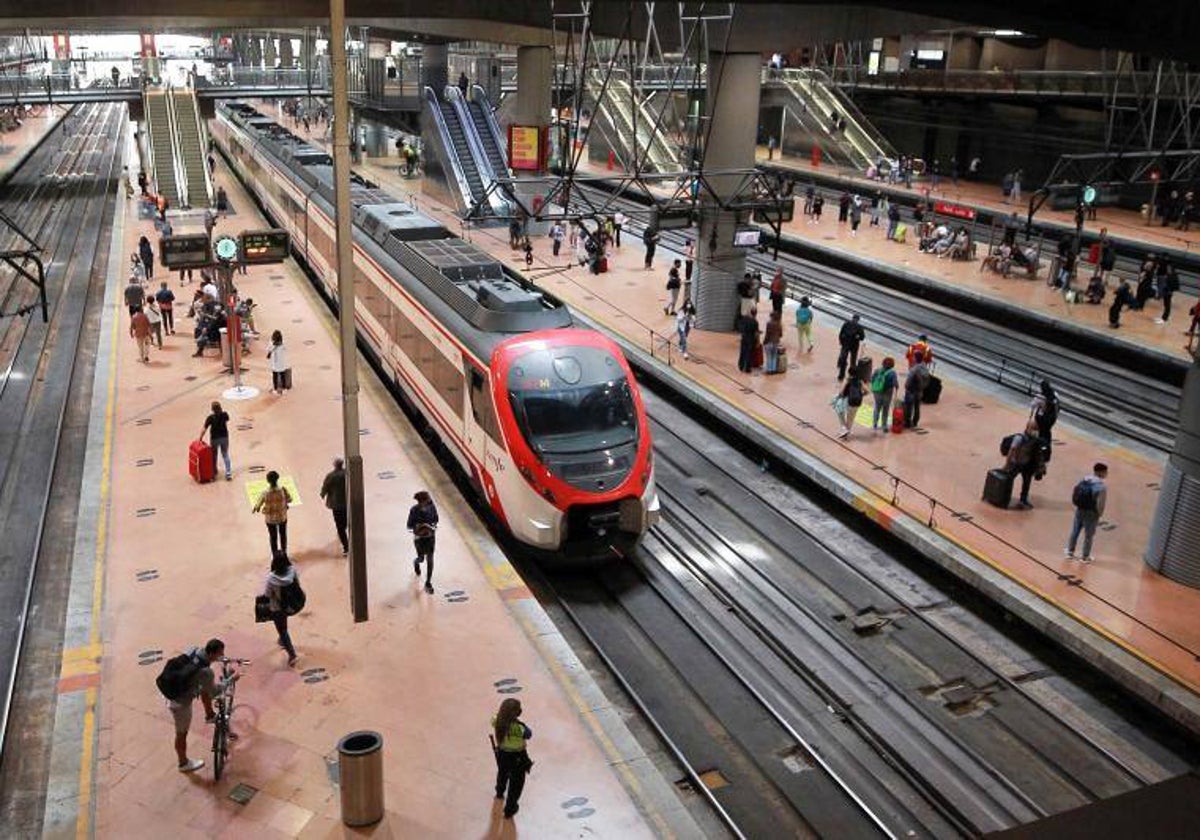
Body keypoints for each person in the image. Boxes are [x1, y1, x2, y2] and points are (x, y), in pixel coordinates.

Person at [165, 638, 228, 773]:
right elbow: (214, 691)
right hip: (180, 703)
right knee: (181, 733)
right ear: (212, 654)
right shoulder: (206, 672)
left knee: (204, 687)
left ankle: (210, 714)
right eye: (219, 654)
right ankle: (183, 763)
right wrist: (230, 680)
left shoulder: (193, 650)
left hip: (171, 688)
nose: (220, 657)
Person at [492, 698, 533, 819]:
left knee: (502, 773)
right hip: (518, 757)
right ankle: (510, 808)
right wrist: (520, 723)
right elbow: (529, 734)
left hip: (502, 754)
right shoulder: (519, 728)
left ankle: (500, 792)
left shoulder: (496, 720)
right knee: (516, 783)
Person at [1066, 463, 1109, 562]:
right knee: (1088, 535)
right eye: (1105, 472)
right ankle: (1085, 556)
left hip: (1080, 509)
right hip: (1091, 513)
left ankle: (1070, 552)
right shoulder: (1101, 487)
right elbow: (1100, 504)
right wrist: (1099, 514)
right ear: (1101, 472)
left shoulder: (1084, 479)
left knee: (1075, 531)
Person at [262, 552, 299, 666]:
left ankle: (292, 654)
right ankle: (283, 640)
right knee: (284, 622)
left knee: (282, 630)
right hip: (290, 604)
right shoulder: (292, 571)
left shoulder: (271, 578)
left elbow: (267, 595)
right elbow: (297, 584)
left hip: (277, 607)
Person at [1003, 421, 1044, 509]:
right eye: (1033, 429)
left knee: (1026, 483)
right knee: (1008, 479)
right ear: (1027, 428)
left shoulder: (1035, 441)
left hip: (1027, 465)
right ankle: (1004, 496)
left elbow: (1038, 455)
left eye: (1036, 430)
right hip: (1017, 464)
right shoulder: (1019, 438)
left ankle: (1023, 499)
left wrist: (1039, 469)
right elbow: (1012, 450)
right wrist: (1007, 464)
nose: (1035, 432)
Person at [253, 470, 293, 557]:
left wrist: (257, 507)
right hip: (282, 516)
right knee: (283, 535)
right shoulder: (283, 489)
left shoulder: (265, 493)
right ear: (277, 479)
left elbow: (258, 505)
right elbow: (290, 499)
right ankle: (284, 552)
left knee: (273, 537)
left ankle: (275, 555)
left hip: (270, 519)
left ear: (268, 481)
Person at [408, 490, 439, 594]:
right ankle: (415, 563)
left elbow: (436, 520)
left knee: (430, 559)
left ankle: (428, 582)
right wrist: (418, 528)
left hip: (430, 537)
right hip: (419, 539)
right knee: (421, 559)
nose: (430, 499)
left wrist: (432, 527)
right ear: (422, 501)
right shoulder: (413, 510)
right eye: (428, 498)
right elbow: (408, 526)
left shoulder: (432, 507)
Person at [320, 457, 349, 555]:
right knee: (345, 521)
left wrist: (322, 494)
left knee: (339, 525)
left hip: (336, 504)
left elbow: (325, 487)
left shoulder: (331, 476)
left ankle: (346, 546)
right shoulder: (347, 473)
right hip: (347, 502)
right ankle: (344, 530)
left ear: (334, 465)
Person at [200, 400, 232, 481]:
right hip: (224, 437)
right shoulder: (225, 415)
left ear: (212, 409)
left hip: (214, 439)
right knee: (225, 454)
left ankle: (214, 474)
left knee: (214, 456)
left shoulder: (210, 418)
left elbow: (204, 429)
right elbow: (227, 419)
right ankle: (228, 473)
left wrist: (200, 438)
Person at [1031, 379, 1060, 464]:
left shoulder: (1040, 397)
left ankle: (1039, 452)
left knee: (1040, 435)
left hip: (1042, 419)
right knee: (1047, 434)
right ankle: (1047, 453)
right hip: (1051, 419)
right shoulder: (1055, 394)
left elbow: (1032, 405)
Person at [870, 357, 899, 431]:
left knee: (877, 407)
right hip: (887, 393)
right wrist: (896, 387)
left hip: (877, 392)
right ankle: (884, 426)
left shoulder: (877, 370)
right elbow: (895, 383)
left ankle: (875, 423)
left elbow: (871, 379)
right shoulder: (892, 373)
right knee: (885, 409)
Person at [903, 350, 929, 428]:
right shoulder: (925, 368)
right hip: (920, 391)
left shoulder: (914, 369)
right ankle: (915, 422)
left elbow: (909, 380)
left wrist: (906, 386)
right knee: (917, 407)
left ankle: (907, 423)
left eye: (914, 357)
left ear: (916, 358)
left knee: (909, 407)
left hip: (911, 391)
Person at [835, 314, 865, 381]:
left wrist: (841, 341)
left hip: (847, 345)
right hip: (853, 345)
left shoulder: (847, 324)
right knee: (851, 361)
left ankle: (842, 375)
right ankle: (850, 375)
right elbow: (862, 337)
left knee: (845, 360)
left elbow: (841, 333)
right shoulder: (858, 327)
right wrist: (858, 337)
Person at [836, 371, 864, 438]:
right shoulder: (860, 381)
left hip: (848, 400)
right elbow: (867, 391)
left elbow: (841, 391)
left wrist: (840, 396)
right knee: (851, 418)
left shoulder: (848, 380)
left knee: (840, 412)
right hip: (857, 402)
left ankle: (844, 429)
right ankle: (847, 432)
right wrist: (861, 395)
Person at [267, 330, 291, 395]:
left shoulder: (271, 343)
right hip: (281, 363)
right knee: (282, 376)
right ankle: (284, 389)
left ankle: (275, 389)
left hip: (274, 363)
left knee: (275, 376)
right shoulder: (283, 343)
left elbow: (268, 350)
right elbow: (286, 349)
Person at [737, 308, 759, 373]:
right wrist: (757, 341)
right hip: (751, 339)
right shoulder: (755, 322)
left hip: (744, 338)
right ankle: (747, 368)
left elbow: (740, 327)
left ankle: (741, 366)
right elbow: (756, 333)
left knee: (742, 352)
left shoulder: (745, 319)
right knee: (749, 354)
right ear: (755, 313)